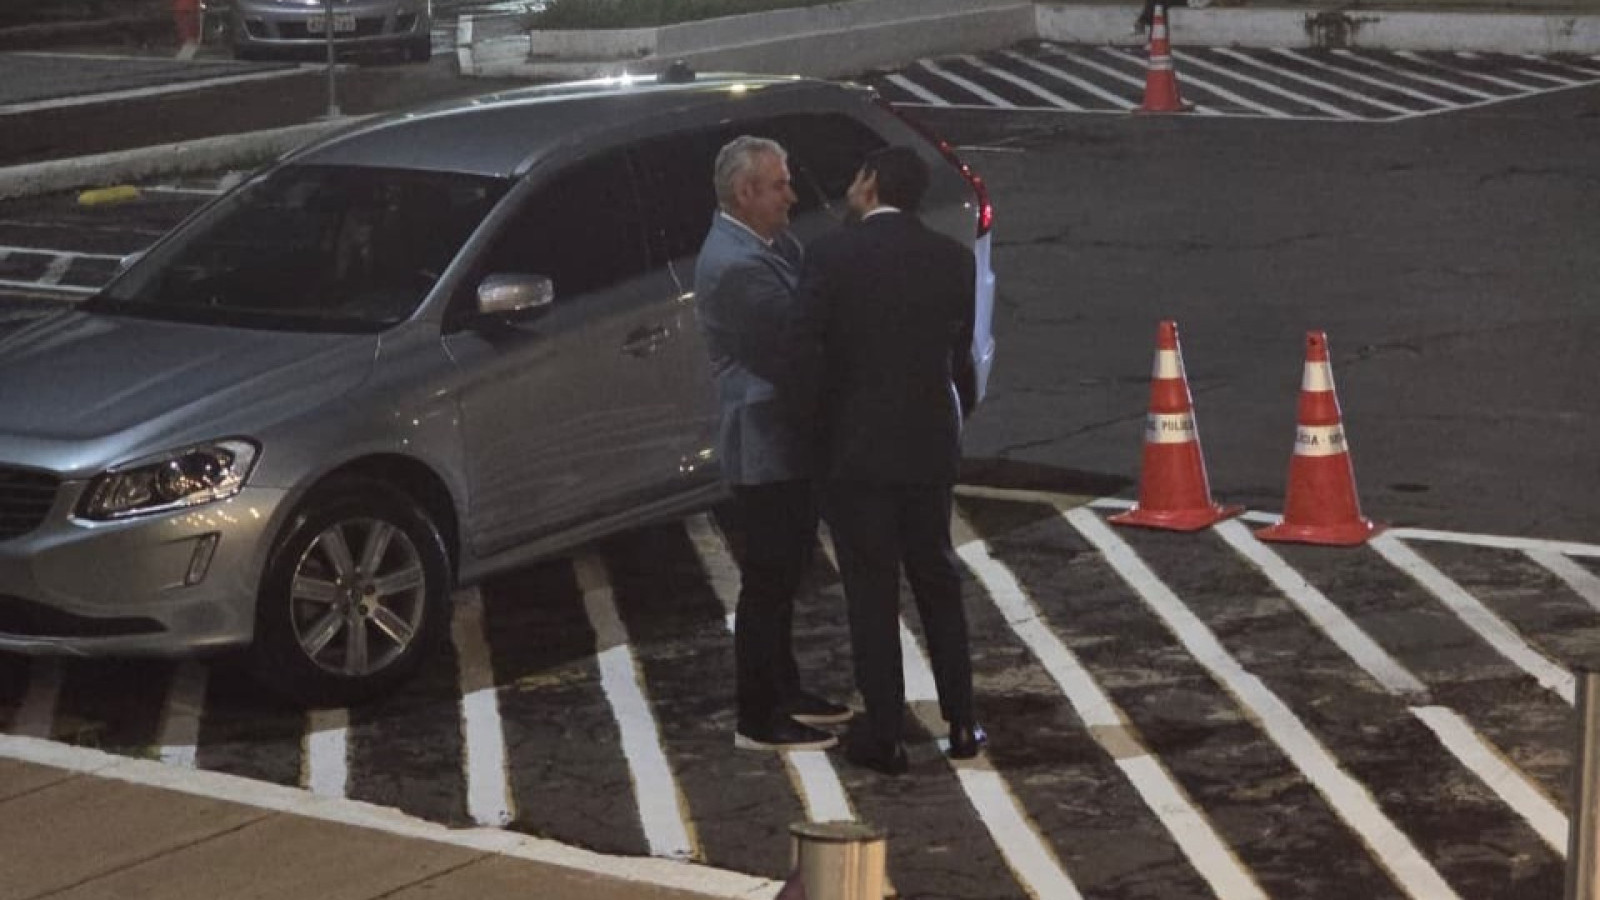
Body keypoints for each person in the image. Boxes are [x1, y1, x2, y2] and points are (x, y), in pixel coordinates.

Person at [796, 145, 986, 775]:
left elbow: (808, 355)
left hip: (855, 452)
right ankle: (962, 720)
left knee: (872, 591)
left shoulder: (829, 256)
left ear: (871, 183)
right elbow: (958, 357)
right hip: (927, 444)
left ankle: (886, 732)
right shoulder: (952, 260)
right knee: (936, 577)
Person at [693, 135, 852, 752]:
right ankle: (758, 716)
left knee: (785, 576)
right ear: (745, 192)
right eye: (780, 184)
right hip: (765, 445)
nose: (792, 194)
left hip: (783, 442)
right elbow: (795, 349)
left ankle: (785, 689)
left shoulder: (768, 245)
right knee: (767, 581)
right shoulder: (738, 268)